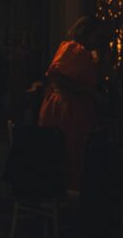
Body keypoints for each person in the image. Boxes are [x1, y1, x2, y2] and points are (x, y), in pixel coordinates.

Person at [38, 16, 108, 191]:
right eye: (97, 37)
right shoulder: (72, 49)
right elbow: (58, 77)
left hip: (72, 110)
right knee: (67, 152)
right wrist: (89, 91)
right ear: (86, 33)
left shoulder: (85, 53)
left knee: (73, 153)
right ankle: (64, 195)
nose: (100, 42)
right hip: (65, 110)